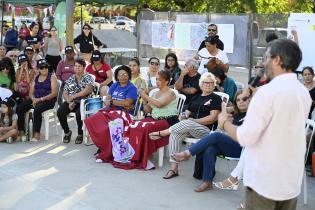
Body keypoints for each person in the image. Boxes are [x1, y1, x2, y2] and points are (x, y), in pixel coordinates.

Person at [218, 39, 311, 210]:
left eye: (266, 57)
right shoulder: (303, 92)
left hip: (264, 182)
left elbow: (245, 137)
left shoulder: (267, 93)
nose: (263, 62)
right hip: (290, 182)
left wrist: (223, 123)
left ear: (277, 60)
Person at [172, 91, 248, 192]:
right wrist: (225, 108)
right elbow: (222, 120)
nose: (241, 102)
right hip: (230, 145)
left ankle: (187, 153)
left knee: (216, 135)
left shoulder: (253, 115)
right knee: (210, 149)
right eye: (238, 100)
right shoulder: (236, 115)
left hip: (243, 149)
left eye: (244, 99)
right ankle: (207, 181)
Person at [150, 72, 222, 179]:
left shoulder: (215, 98)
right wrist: (183, 116)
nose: (208, 85)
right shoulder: (196, 98)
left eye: (211, 83)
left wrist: (194, 120)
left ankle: (163, 133)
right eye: (206, 82)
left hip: (206, 130)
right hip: (190, 127)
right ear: (201, 84)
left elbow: (212, 118)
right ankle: (174, 169)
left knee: (188, 123)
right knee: (175, 134)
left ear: (214, 84)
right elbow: (186, 113)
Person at [16, 59, 58, 142]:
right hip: (36, 99)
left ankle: (36, 133)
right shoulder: (36, 78)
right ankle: (21, 131)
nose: (45, 69)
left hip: (48, 101)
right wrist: (33, 99)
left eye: (46, 67)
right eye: (42, 67)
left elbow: (54, 93)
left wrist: (40, 99)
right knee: (20, 108)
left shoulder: (52, 77)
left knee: (37, 110)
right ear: (38, 69)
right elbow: (31, 93)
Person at [57, 58, 94, 144]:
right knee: (60, 112)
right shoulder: (70, 78)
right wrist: (69, 101)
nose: (77, 68)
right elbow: (65, 92)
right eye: (76, 66)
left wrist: (74, 96)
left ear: (83, 67)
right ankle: (67, 132)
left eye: (79, 66)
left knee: (79, 114)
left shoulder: (88, 77)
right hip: (71, 101)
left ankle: (80, 134)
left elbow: (87, 90)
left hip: (84, 102)